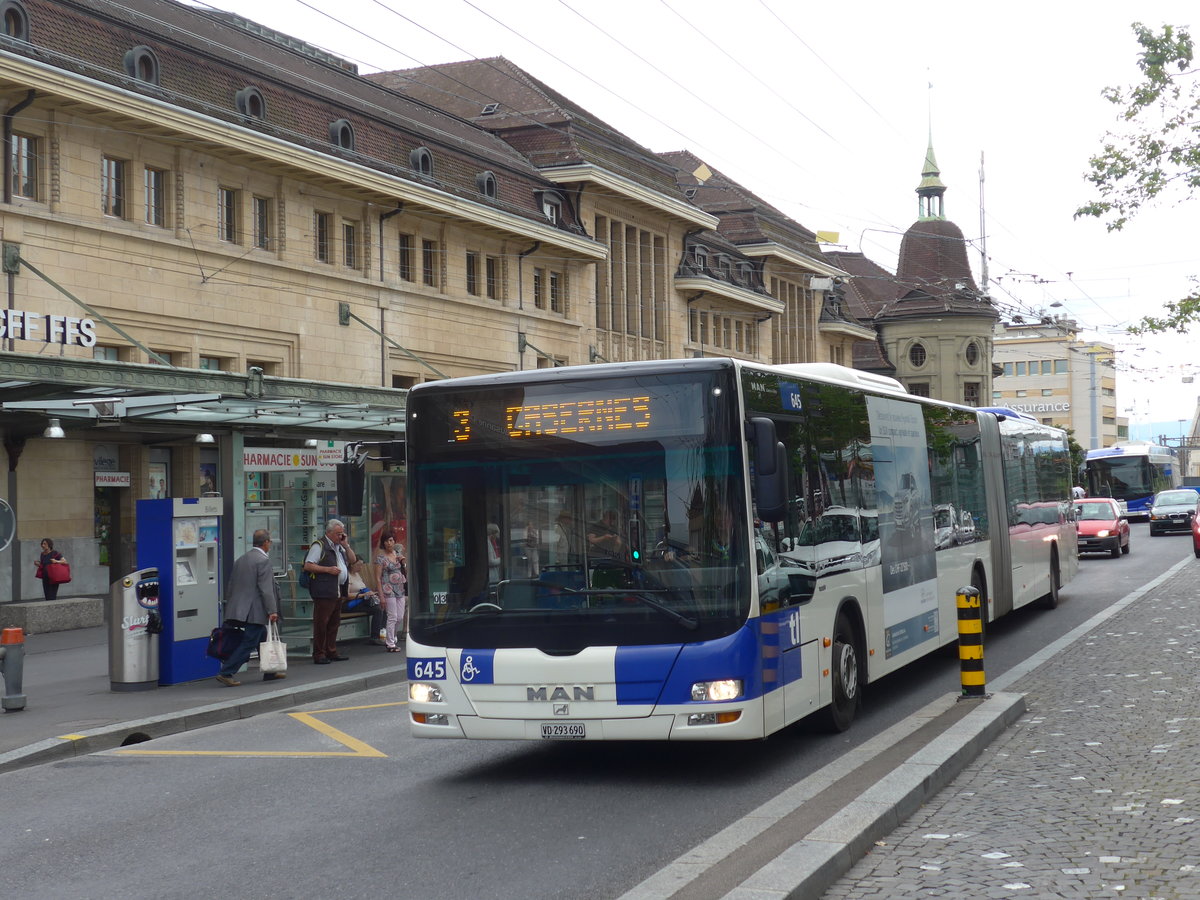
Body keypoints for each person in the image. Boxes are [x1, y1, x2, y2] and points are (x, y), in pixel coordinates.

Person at [215, 529, 282, 686]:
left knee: (262, 637)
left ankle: (270, 671)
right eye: (270, 541)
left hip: (241, 608)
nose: (270, 544)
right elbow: (266, 589)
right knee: (249, 642)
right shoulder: (263, 561)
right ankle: (226, 672)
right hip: (255, 609)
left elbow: (231, 584)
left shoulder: (242, 559)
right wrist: (272, 610)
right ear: (266, 543)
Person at [303, 518, 357, 664]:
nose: (340, 536)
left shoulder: (339, 547)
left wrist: (346, 545)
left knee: (334, 622)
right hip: (324, 590)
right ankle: (319, 653)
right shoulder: (320, 545)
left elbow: (352, 560)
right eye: (338, 534)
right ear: (329, 532)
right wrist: (328, 570)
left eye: (342, 534)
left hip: (337, 589)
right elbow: (308, 565)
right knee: (322, 622)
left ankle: (331, 650)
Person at [374, 530, 407, 652]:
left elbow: (405, 572)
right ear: (383, 543)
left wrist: (403, 563)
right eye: (387, 541)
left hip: (400, 588)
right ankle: (390, 643)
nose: (389, 543)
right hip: (388, 589)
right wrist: (381, 596)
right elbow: (377, 578)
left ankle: (392, 637)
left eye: (391, 540)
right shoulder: (381, 558)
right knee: (392, 616)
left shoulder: (397, 555)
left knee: (400, 616)